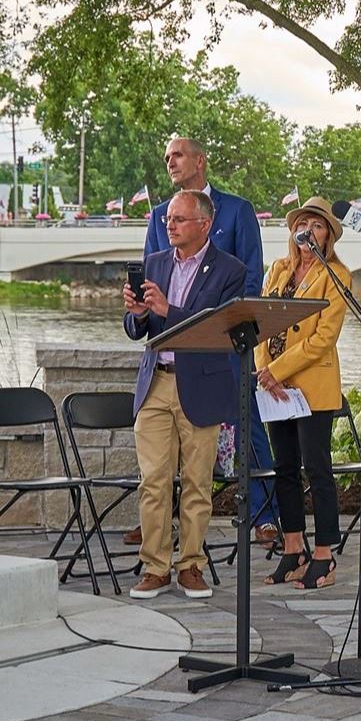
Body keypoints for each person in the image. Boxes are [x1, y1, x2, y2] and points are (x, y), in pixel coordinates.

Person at [141, 135, 277, 541]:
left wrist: (222, 330)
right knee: (163, 448)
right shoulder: (159, 217)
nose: (170, 162)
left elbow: (251, 278)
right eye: (166, 157)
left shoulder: (237, 211)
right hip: (173, 353)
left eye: (178, 155)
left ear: (200, 161)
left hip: (225, 346)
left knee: (246, 425)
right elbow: (153, 280)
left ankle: (264, 513)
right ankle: (157, 522)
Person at [121, 191, 248, 601]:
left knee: (197, 482)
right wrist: (138, 314)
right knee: (154, 481)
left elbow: (215, 330)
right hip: (155, 381)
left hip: (202, 384)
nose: (168, 225)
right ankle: (155, 567)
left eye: (178, 219)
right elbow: (134, 328)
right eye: (167, 219)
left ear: (204, 224)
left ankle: (191, 565)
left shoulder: (231, 270)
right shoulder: (154, 264)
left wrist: (166, 311)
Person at [254, 198, 352, 591]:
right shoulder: (278, 269)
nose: (309, 231)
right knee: (285, 469)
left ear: (328, 235)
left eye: (318, 225)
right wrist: (265, 370)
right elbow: (259, 318)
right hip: (274, 388)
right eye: (304, 223)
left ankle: (325, 555)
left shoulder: (338, 274)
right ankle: (293, 548)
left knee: (317, 468)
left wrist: (277, 370)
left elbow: (323, 337)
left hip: (311, 387)